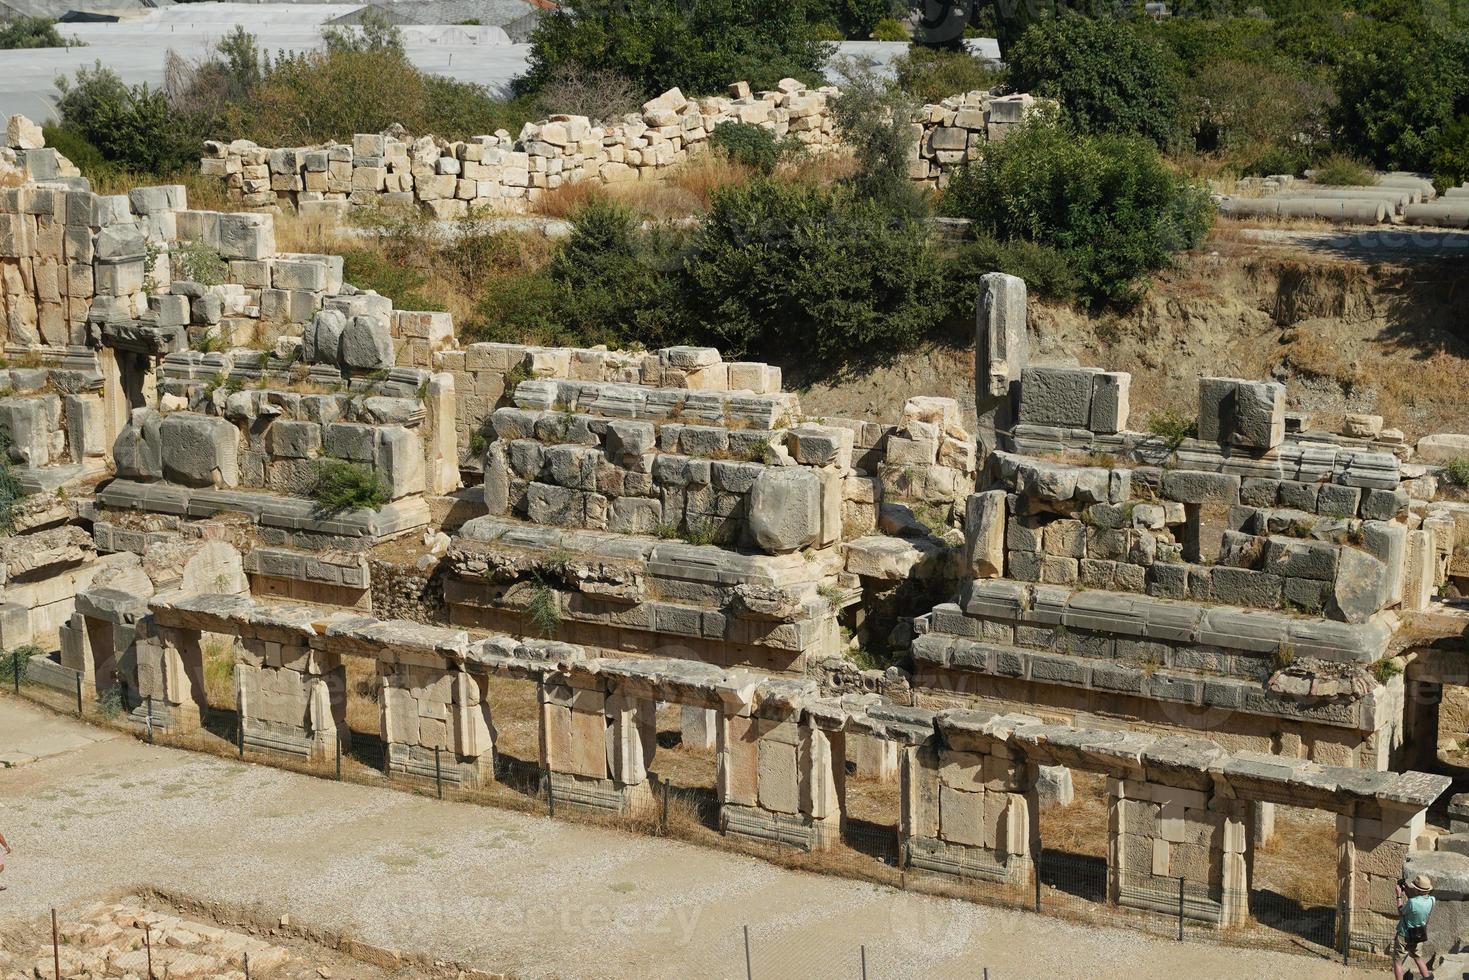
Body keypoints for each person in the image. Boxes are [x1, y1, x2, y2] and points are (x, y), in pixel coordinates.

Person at [1394, 873, 1436, 980]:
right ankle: (1427, 978)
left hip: (1405, 934)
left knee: (1397, 962)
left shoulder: (1412, 902)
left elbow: (1400, 911)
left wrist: (1399, 895)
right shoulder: (1432, 900)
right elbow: (1419, 902)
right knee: (1418, 957)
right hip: (1419, 934)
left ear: (1417, 889)